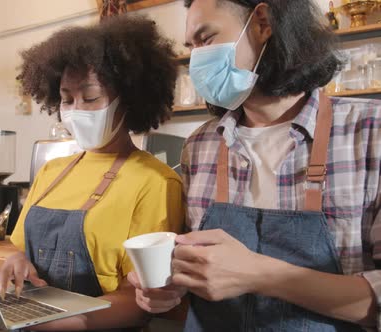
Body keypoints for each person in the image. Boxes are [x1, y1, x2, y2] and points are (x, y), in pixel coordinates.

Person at [129, 0, 381, 331]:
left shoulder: (369, 132)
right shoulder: (200, 146)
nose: (196, 61)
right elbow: (197, 271)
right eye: (191, 48)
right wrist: (170, 287)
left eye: (206, 40)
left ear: (262, 23)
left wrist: (258, 274)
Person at [0, 15, 184, 331]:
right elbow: (20, 249)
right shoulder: (51, 172)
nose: (75, 110)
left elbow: (139, 302)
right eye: (67, 98)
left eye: (90, 97)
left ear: (127, 98)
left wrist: (70, 323)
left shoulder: (155, 182)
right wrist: (16, 263)